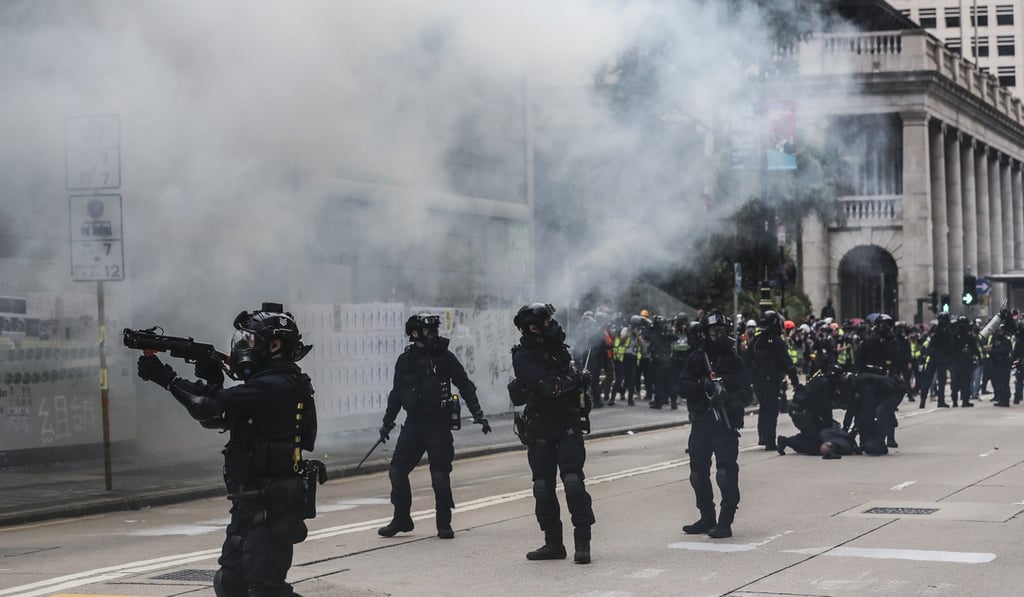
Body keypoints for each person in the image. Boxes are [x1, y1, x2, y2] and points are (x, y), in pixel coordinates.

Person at [136, 302, 320, 597]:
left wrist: (168, 380)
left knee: (266, 588)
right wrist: (211, 381)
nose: (243, 347)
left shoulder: (276, 385)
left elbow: (205, 406)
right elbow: (217, 416)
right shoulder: (266, 385)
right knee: (230, 583)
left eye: (250, 341)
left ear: (274, 345)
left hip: (273, 503)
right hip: (250, 500)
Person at [377, 313, 491, 540]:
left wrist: (477, 413)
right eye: (429, 331)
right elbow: (397, 394)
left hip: (438, 423)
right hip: (414, 423)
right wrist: (387, 423)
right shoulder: (405, 361)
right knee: (397, 471)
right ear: (415, 333)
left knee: (439, 475)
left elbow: (465, 385)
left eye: (435, 330)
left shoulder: (444, 357)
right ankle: (401, 518)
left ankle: (444, 522)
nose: (434, 335)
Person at [509, 302, 596, 564]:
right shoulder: (523, 357)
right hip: (540, 427)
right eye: (546, 321)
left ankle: (582, 542)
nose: (552, 324)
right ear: (533, 327)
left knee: (573, 482)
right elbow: (549, 388)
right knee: (542, 487)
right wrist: (576, 380)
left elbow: (566, 385)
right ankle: (553, 543)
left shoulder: (559, 349)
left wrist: (579, 383)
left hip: (567, 424)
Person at [678, 310, 752, 539]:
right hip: (702, 420)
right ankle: (706, 517)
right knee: (697, 473)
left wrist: (727, 396)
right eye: (713, 329)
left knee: (725, 473)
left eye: (721, 330)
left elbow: (747, 394)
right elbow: (682, 387)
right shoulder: (696, 358)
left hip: (725, 423)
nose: (717, 334)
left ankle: (725, 521)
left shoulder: (735, 360)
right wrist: (704, 386)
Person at [747, 310, 798, 451]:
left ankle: (763, 437)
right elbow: (788, 364)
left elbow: (746, 361)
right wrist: (796, 384)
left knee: (764, 407)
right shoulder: (777, 341)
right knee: (771, 409)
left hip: (758, 381)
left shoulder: (756, 341)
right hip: (772, 380)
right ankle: (769, 440)